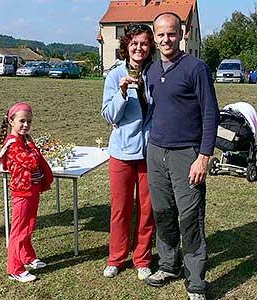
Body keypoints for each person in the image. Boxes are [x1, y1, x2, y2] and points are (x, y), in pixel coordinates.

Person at [144, 13, 219, 300]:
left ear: (182, 34)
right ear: (155, 35)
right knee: (163, 214)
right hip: (156, 152)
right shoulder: (151, 71)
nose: (166, 40)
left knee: (190, 218)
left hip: (187, 154)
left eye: (171, 34)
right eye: (161, 34)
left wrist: (204, 156)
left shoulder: (196, 68)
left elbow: (210, 114)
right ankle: (168, 265)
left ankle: (196, 282)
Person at [101, 23, 156, 281]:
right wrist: (122, 93)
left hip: (150, 152)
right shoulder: (114, 75)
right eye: (134, 43)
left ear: (150, 46)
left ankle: (142, 258)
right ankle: (116, 257)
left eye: (144, 43)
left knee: (148, 209)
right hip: (122, 152)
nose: (139, 48)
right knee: (120, 209)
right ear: (126, 46)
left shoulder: (156, 73)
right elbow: (108, 115)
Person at [0, 102, 54, 283]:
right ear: (11, 121)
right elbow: (30, 161)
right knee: (19, 230)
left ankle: (27, 257)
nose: (26, 125)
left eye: (29, 121)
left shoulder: (25, 140)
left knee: (29, 225)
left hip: (32, 188)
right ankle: (14, 267)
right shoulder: (13, 144)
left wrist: (33, 147)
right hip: (22, 192)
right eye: (22, 121)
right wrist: (35, 149)